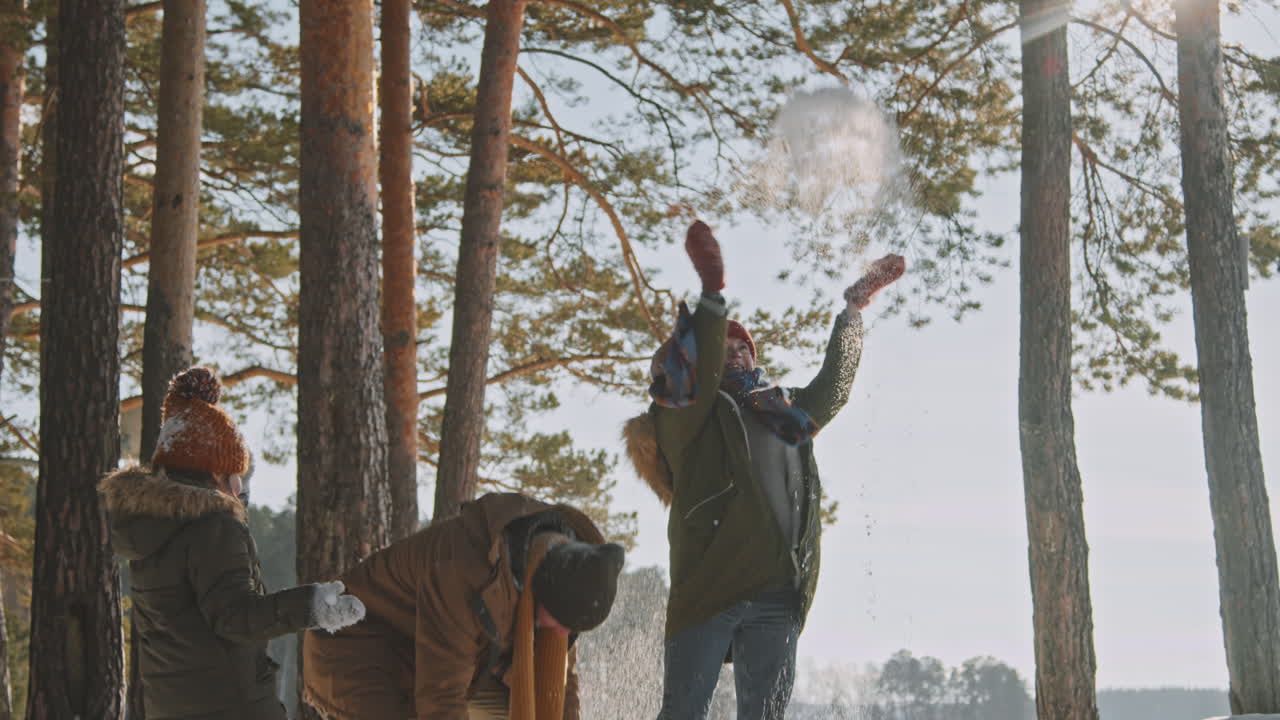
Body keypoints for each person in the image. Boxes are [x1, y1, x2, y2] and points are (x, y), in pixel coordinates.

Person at [623, 220, 905, 720]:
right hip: (709, 588)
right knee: (683, 712)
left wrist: (853, 312)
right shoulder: (686, 418)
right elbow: (688, 379)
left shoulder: (782, 409)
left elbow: (833, 390)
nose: (736, 352)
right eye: (724, 347)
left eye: (743, 347)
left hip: (778, 593)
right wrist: (712, 294)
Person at [99, 366, 367, 720]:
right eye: (235, 474)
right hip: (231, 705)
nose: (239, 488)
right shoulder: (213, 528)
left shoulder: (151, 531)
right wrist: (313, 605)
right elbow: (236, 617)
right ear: (215, 474)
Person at [301, 491, 627, 720]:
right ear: (544, 590)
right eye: (561, 622)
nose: (563, 634)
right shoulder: (463, 571)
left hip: (445, 657)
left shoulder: (554, 579)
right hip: (355, 648)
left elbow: (556, 685)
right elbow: (441, 697)